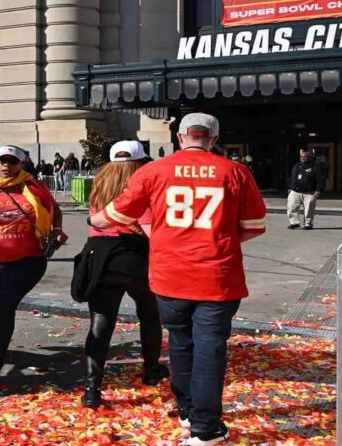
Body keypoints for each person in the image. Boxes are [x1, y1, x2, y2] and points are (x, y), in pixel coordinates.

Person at [89, 113, 267, 445]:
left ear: (181, 137)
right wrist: (218, 238)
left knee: (181, 343)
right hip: (217, 275)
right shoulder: (236, 172)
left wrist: (97, 219)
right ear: (213, 140)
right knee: (210, 349)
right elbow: (255, 226)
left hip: (169, 274)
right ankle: (205, 425)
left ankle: (187, 411)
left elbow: (117, 214)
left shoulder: (154, 170)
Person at [0, 145, 67, 385]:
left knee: (4, 307)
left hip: (27, 260)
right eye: (1, 161)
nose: (6, 166)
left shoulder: (34, 186)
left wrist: (56, 230)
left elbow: (54, 210)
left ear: (21, 164)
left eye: (12, 162)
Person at [78, 140, 168, 409]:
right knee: (150, 315)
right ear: (140, 162)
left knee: (101, 322)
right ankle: (151, 370)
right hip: (136, 254)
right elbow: (150, 226)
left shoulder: (100, 182)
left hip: (101, 255)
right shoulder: (143, 184)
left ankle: (92, 388)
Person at [287, 149, 324, 230]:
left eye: (306, 157)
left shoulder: (315, 166)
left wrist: (318, 190)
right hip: (295, 191)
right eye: (302, 157)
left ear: (310, 158)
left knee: (309, 209)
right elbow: (292, 177)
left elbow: (319, 179)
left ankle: (308, 224)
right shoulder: (296, 166)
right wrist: (290, 187)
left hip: (309, 192)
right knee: (292, 207)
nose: (304, 158)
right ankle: (294, 223)